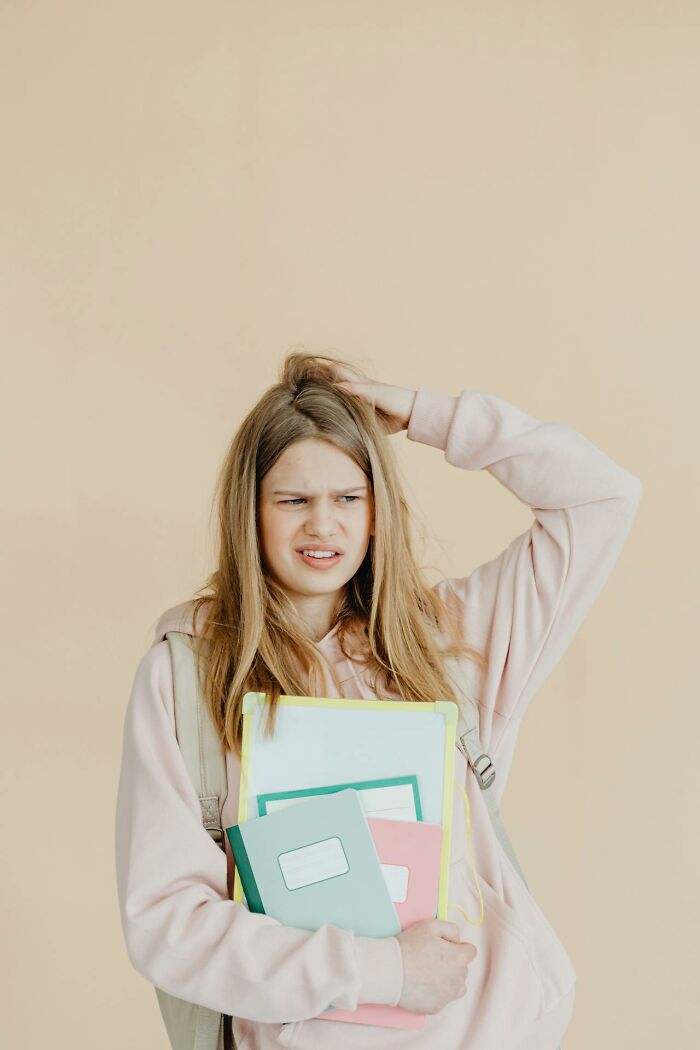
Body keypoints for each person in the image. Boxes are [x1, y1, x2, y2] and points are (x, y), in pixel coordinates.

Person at [115, 350, 642, 1049]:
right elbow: (166, 924)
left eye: (347, 499)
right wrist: (383, 969)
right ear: (250, 509)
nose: (322, 527)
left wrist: (431, 415)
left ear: (376, 510)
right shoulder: (184, 675)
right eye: (293, 500)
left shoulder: (450, 642)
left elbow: (601, 497)